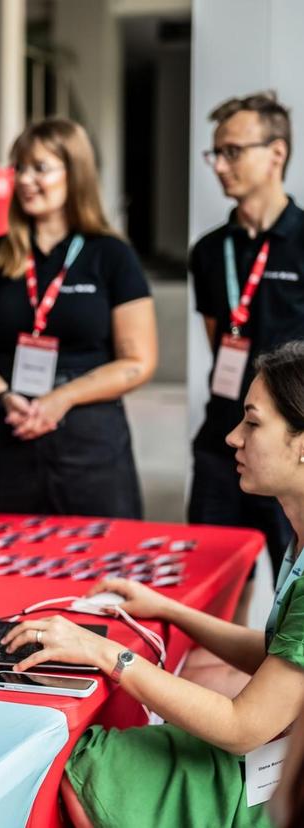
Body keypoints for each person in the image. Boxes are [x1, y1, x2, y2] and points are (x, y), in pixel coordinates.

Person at [0, 340, 304, 828]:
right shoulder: (300, 538)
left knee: (79, 764)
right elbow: (280, 662)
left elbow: (243, 726)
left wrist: (108, 655)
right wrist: (170, 610)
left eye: (252, 422)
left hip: (277, 785)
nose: (232, 437)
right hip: (280, 756)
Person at [0, 118, 156, 518]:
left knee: (102, 565)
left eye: (40, 168)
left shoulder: (112, 255)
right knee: (9, 565)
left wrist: (62, 399)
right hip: (11, 433)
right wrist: (5, 396)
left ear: (74, 174)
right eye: (20, 168)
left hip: (90, 442)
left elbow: (139, 361)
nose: (26, 179)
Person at [189, 91, 302, 583]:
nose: (219, 165)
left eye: (233, 151)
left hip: (287, 450)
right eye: (216, 152)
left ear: (276, 153)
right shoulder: (210, 251)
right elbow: (220, 341)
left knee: (291, 590)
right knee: (213, 584)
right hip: (222, 442)